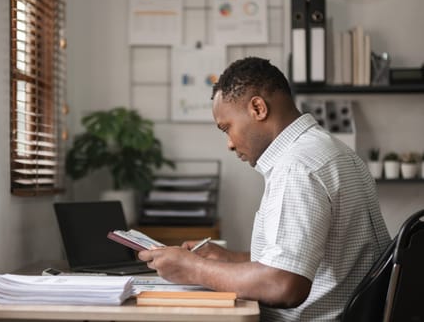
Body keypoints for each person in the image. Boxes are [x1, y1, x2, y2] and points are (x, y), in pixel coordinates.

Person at [138, 57, 391, 321]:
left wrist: (193, 268)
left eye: (227, 128)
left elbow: (283, 285)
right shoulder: (331, 150)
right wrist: (230, 259)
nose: (230, 144)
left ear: (258, 108)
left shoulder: (297, 167)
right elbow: (306, 255)